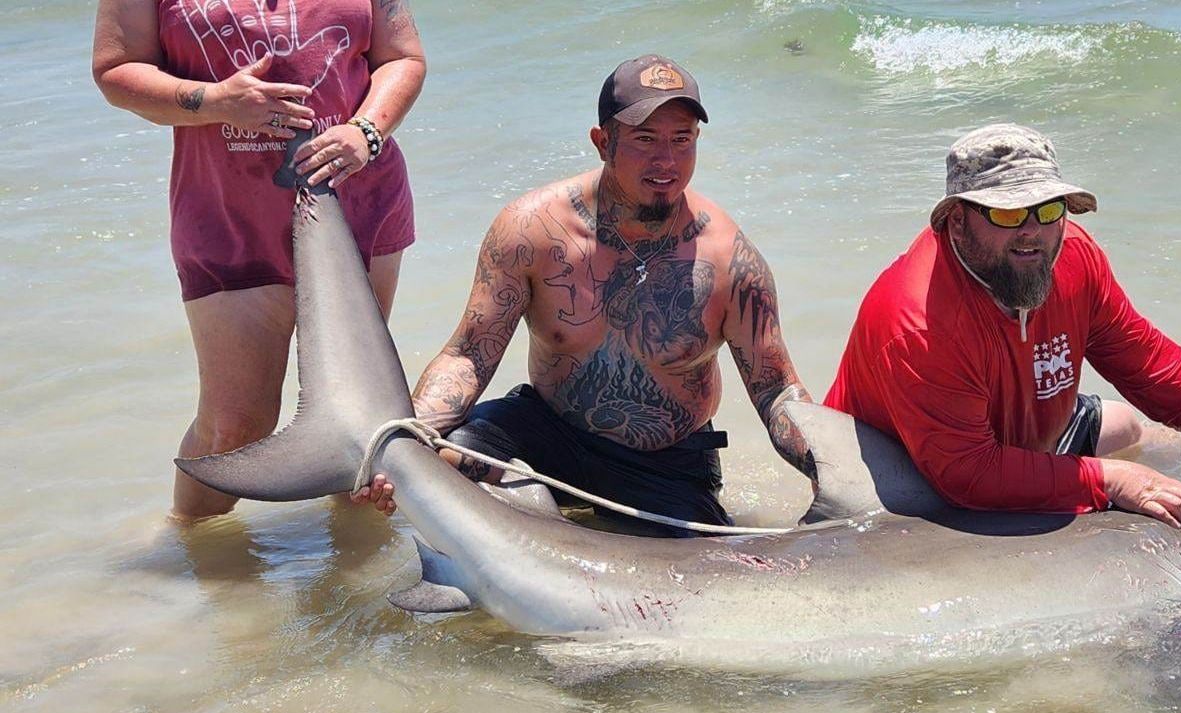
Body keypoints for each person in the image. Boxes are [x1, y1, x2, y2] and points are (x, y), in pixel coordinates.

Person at [355, 55, 813, 535]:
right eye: (644, 139)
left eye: (682, 140)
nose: (666, 161)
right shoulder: (531, 231)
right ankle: (512, 527)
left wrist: (834, 470)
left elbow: (776, 389)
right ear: (602, 142)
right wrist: (408, 440)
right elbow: (470, 354)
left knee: (692, 584)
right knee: (439, 465)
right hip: (545, 432)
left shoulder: (729, 261)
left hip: (665, 462)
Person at [824, 123, 1181, 529]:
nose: (1031, 232)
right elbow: (967, 473)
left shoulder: (1073, 255)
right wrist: (1109, 480)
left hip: (1017, 435)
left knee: (1126, 424)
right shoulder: (921, 324)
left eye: (1046, 209)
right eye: (1007, 212)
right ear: (957, 220)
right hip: (915, 466)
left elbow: (1144, 360)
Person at [92, 0, 426, 521]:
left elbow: (403, 58)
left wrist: (367, 132)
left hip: (355, 203)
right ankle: (194, 555)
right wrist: (214, 100)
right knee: (235, 424)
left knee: (357, 415)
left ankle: (356, 575)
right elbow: (115, 72)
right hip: (227, 218)